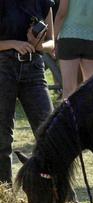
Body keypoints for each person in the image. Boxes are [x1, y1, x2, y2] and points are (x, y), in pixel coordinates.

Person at [0, 0, 54, 185]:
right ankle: (4, 200)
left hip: (34, 68)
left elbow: (52, 42)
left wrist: (38, 44)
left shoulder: (43, 2)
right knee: (2, 139)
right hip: (3, 67)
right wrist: (14, 43)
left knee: (51, 134)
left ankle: (68, 202)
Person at [54, 0, 93, 99]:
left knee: (69, 90)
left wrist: (53, 37)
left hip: (69, 37)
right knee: (91, 89)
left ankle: (68, 114)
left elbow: (62, 13)